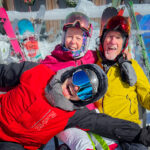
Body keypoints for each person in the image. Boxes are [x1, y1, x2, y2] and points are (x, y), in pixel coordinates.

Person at [1, 62, 150, 150]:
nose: (77, 87)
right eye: (80, 78)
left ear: (85, 101)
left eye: (85, 91)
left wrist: (142, 134)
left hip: (13, 144)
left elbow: (108, 124)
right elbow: (3, 73)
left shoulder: (73, 114)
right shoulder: (37, 72)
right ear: (72, 73)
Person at [56, 16, 150, 150]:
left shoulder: (132, 65)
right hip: (100, 129)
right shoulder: (92, 60)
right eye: (109, 36)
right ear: (102, 40)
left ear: (124, 43)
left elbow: (146, 95)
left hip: (129, 130)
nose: (113, 41)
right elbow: (71, 57)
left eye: (118, 38)